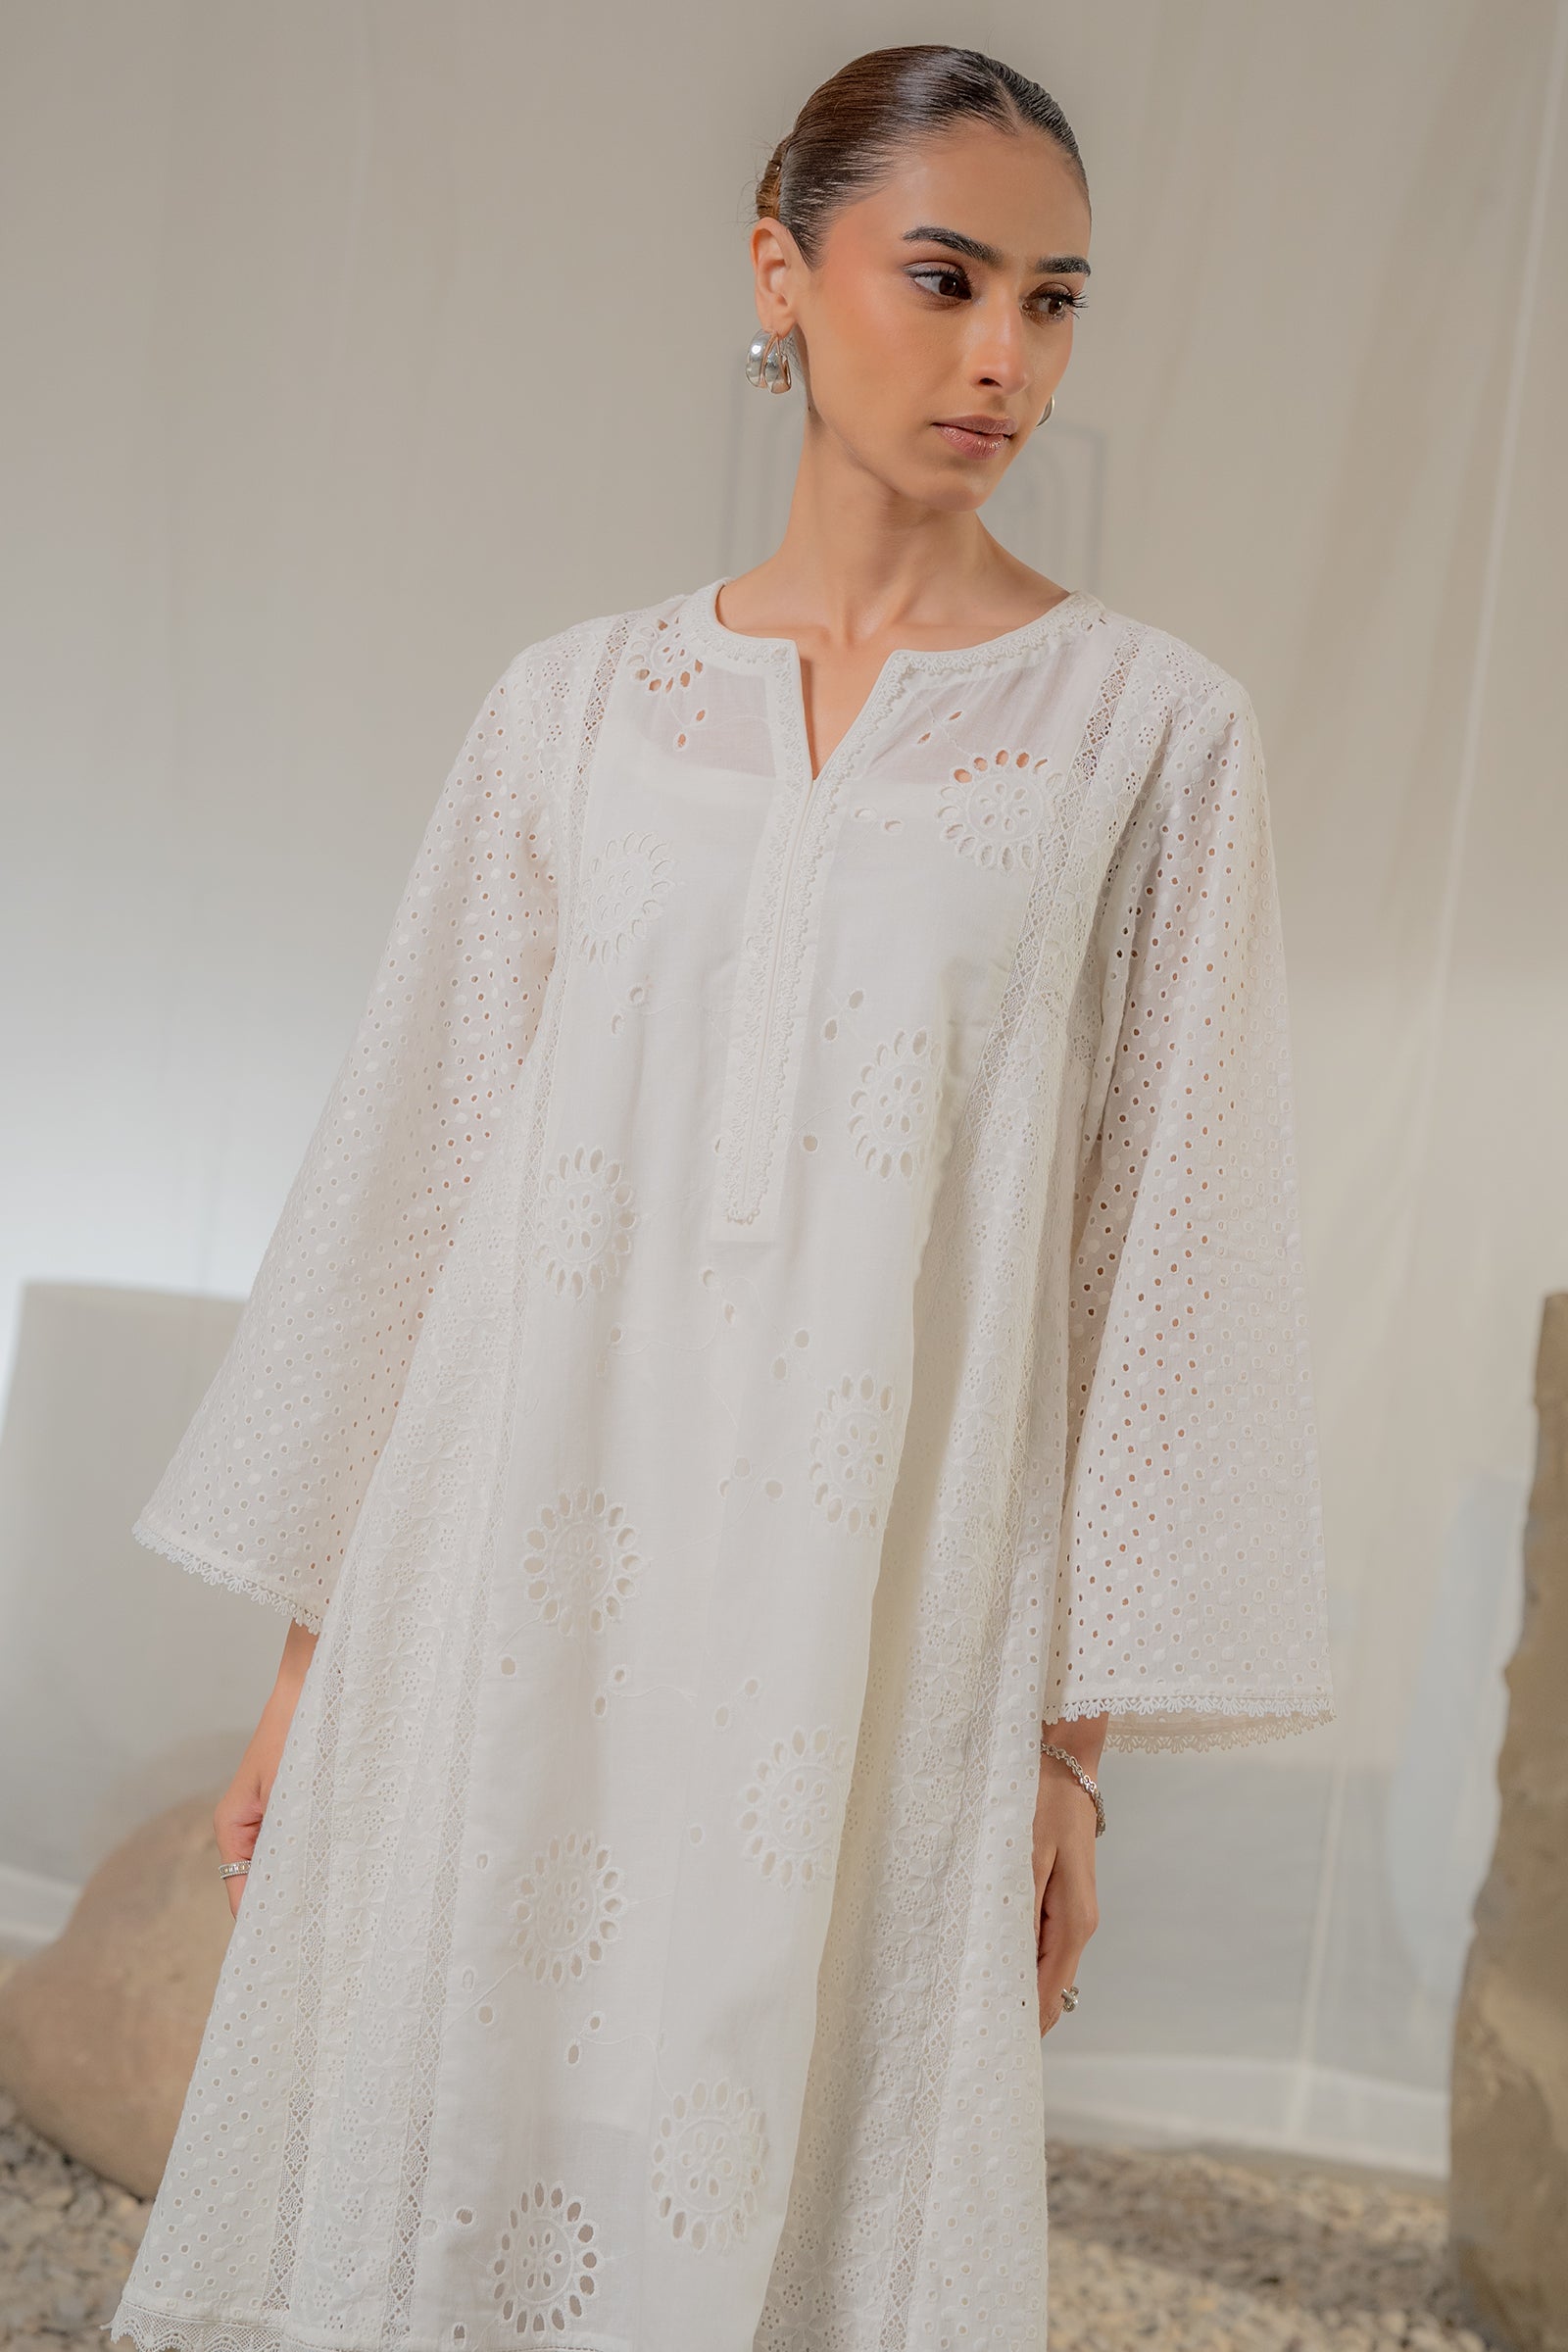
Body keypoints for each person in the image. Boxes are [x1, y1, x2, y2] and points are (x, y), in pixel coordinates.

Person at [106, 41, 1333, 2352]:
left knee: (782, 2135)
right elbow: (418, 1183)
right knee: (462, 2104)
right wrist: (313, 1671)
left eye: (1052, 300)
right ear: (779, 273)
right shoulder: (573, 712)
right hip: (524, 1539)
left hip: (882, 1571)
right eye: (943, 279)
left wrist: (1065, 1754)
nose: (1002, 357)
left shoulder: (1145, 733)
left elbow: (1155, 1239)